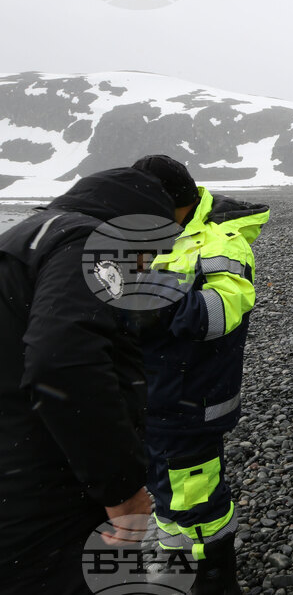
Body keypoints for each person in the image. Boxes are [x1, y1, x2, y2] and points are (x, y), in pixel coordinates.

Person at [0, 167, 172, 593]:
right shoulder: (92, 242)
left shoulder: (22, 239)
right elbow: (62, 363)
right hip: (44, 485)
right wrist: (122, 489)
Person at [132, 155, 270, 594]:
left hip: (193, 398)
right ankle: (180, 565)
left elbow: (219, 316)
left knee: (197, 498)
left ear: (176, 202)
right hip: (158, 394)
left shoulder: (222, 244)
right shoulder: (158, 232)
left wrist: (149, 296)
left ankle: (215, 578)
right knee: (168, 487)